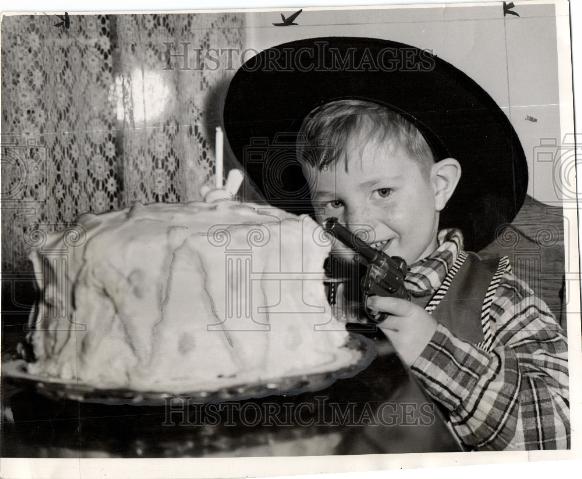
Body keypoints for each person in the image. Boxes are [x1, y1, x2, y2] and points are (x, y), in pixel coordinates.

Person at [223, 37, 569, 450]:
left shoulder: (501, 297)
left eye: (382, 192)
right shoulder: (308, 290)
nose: (359, 224)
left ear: (439, 186)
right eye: (334, 202)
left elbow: (562, 432)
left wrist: (434, 351)